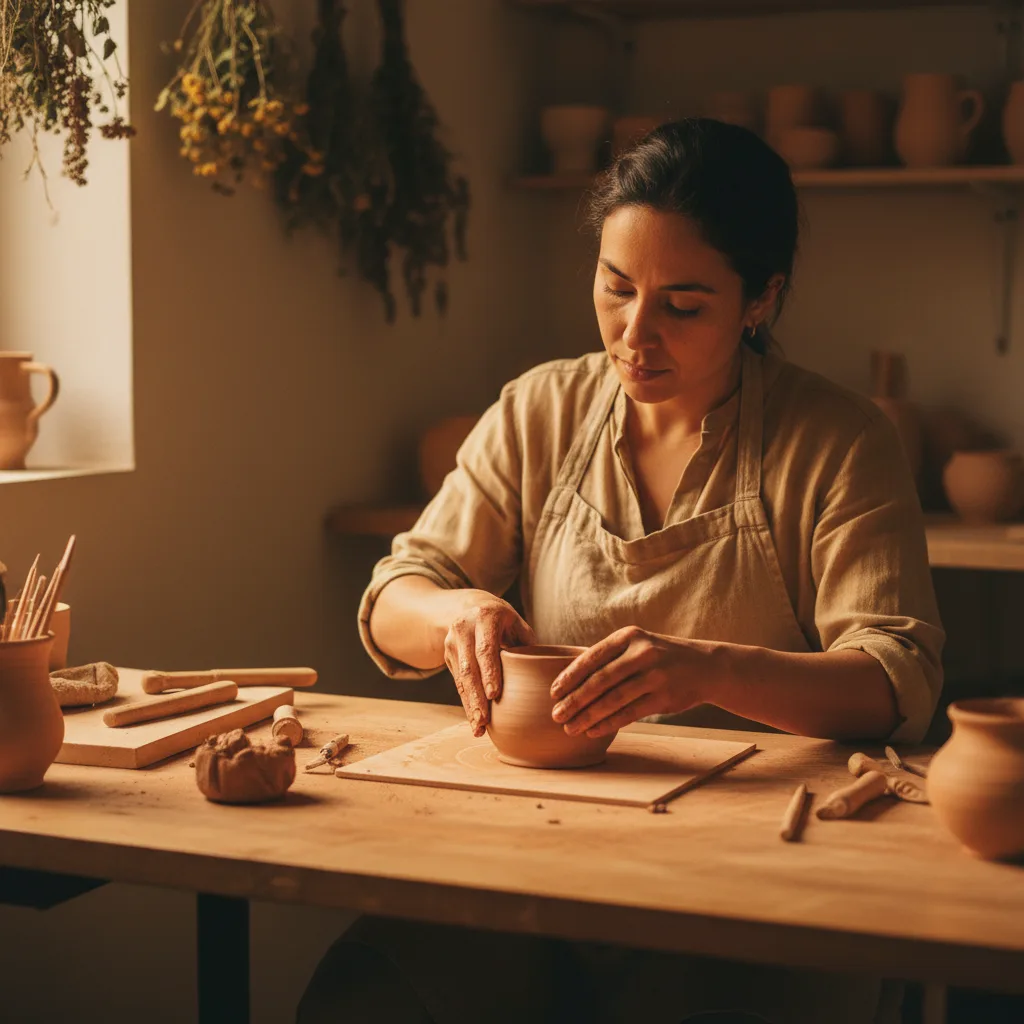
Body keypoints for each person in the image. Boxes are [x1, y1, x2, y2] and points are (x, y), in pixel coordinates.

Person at [299, 118, 944, 1024]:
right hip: (546, 843)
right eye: (614, 287)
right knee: (368, 994)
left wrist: (704, 669)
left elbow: (895, 680)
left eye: (683, 306)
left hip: (762, 865)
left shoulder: (839, 441)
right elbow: (396, 593)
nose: (635, 334)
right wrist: (459, 613)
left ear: (760, 299)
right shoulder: (540, 409)